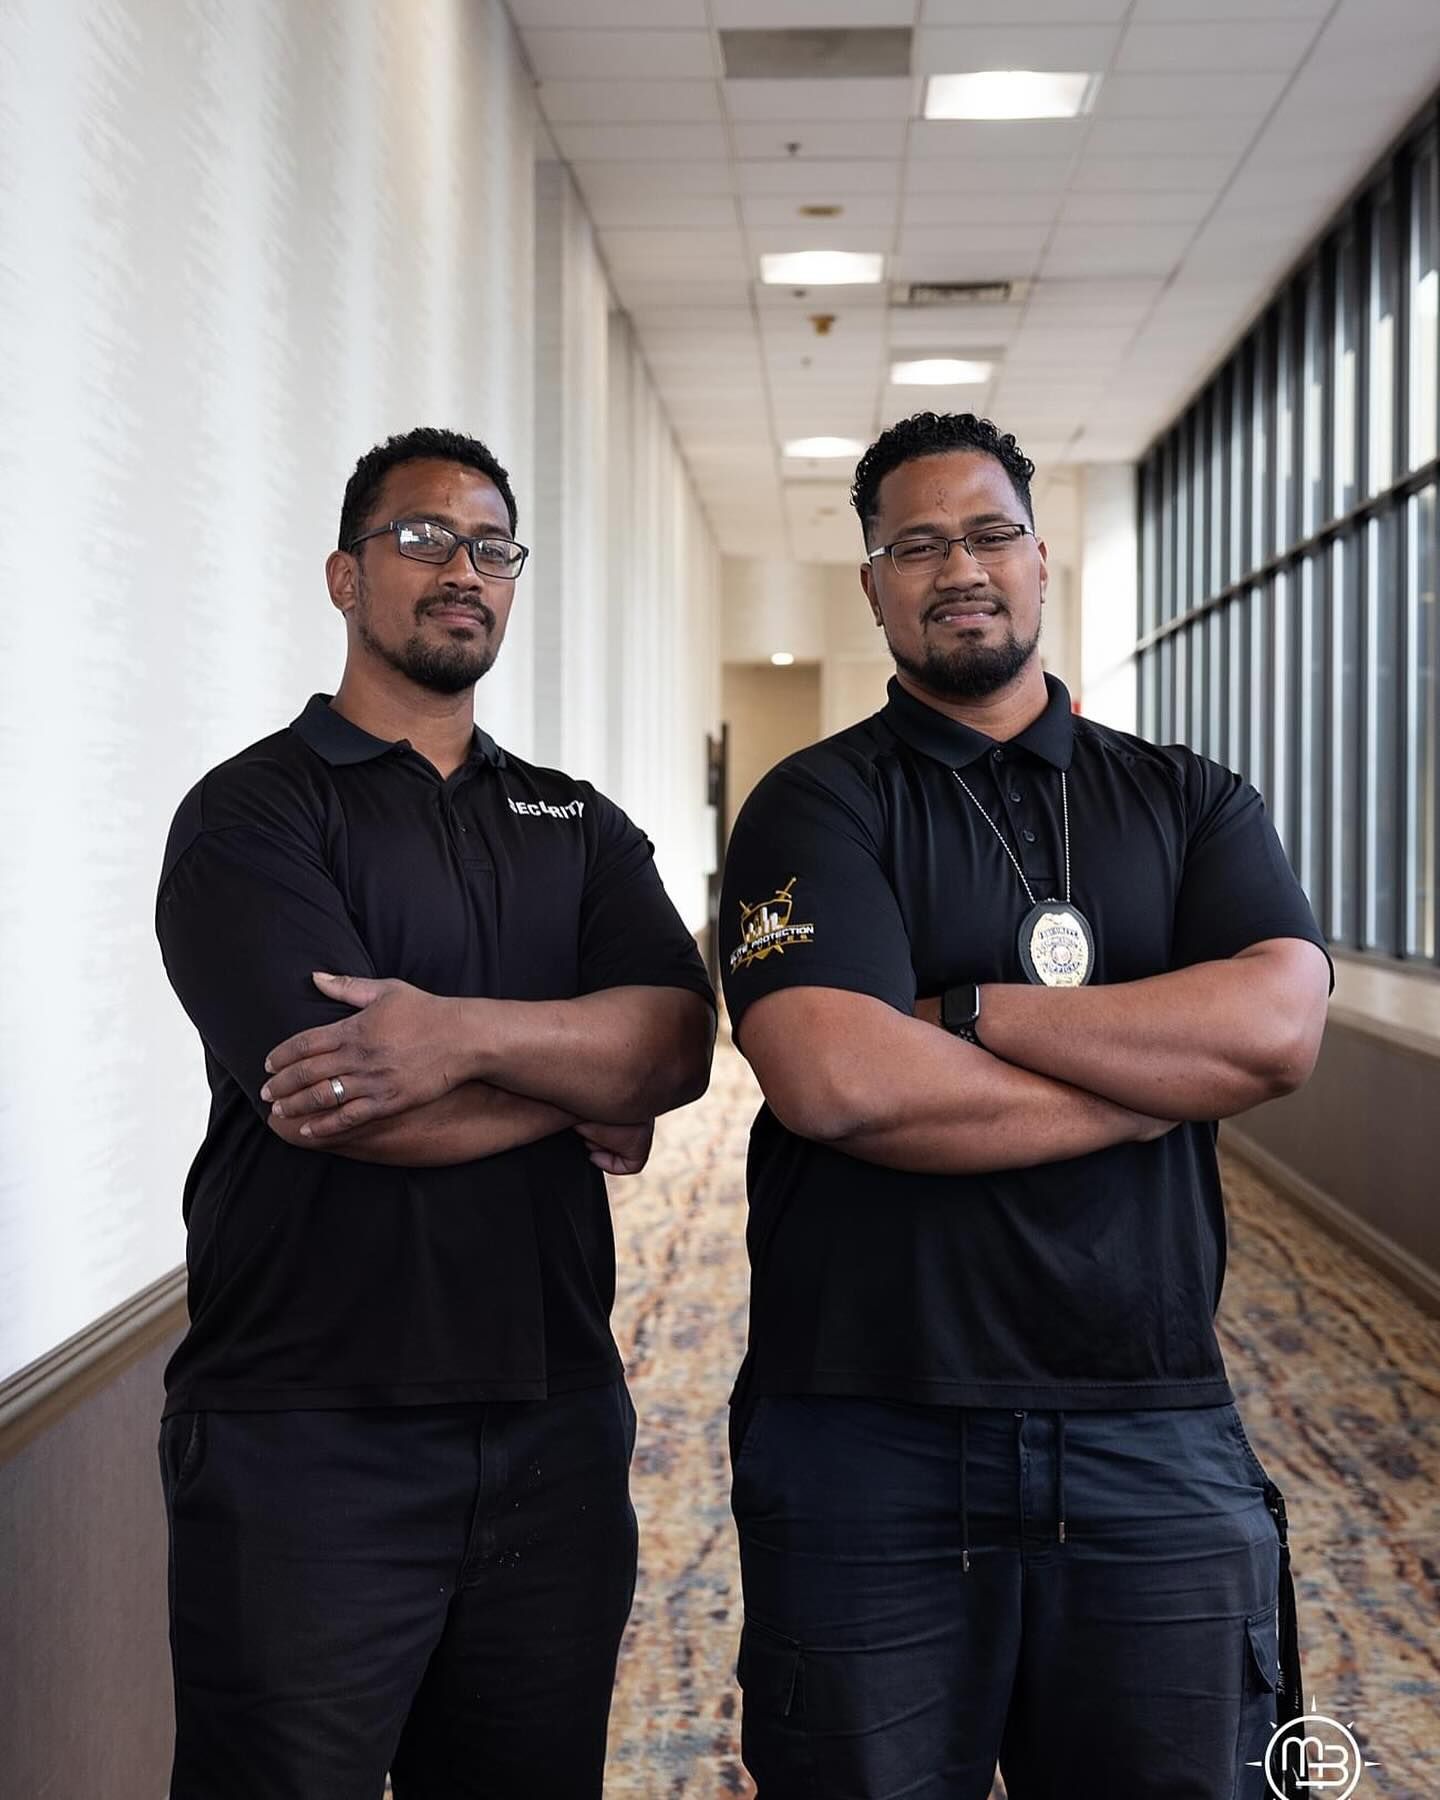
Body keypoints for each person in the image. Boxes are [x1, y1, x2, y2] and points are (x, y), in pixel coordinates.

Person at [719, 411, 1331, 1799]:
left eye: (991, 533)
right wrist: (1151, 1082)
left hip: (1150, 1423)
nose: (961, 568)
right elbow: (840, 1081)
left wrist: (973, 1012)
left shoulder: (1190, 800)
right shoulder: (814, 806)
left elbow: (1275, 1030)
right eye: (917, 545)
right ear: (872, 583)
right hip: (868, 1426)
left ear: (1042, 560)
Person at [155, 426, 715, 1799]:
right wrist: (574, 1084)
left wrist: (455, 1038)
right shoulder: (253, 815)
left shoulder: (575, 824)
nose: (463, 569)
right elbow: (352, 1104)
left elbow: (676, 1042)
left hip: (554, 1420)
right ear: (345, 577)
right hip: (307, 1437)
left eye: (492, 548)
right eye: (423, 538)